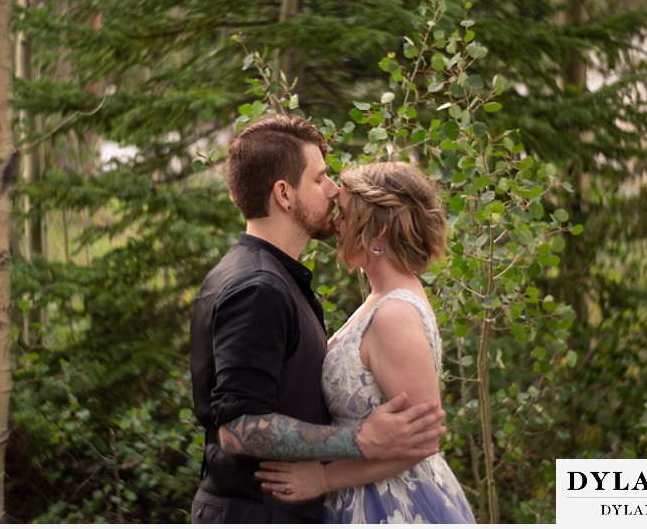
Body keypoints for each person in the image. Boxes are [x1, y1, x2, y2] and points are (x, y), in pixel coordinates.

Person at [190, 116, 447, 524]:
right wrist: (359, 439)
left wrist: (327, 476)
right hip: (258, 513)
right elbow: (237, 428)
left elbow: (423, 433)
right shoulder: (260, 287)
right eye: (321, 177)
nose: (333, 191)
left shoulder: (276, 279)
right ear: (284, 194)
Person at [255, 161, 477, 523]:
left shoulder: (395, 315)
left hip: (395, 504)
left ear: (380, 229)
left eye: (343, 214)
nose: (334, 224)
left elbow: (424, 440)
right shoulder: (380, 299)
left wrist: (324, 478)